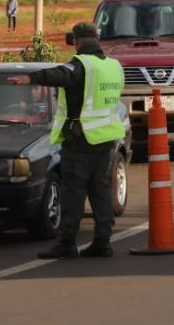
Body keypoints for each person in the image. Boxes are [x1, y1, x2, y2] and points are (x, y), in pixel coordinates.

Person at [7, 21, 125, 259]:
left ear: (77, 41)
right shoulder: (114, 66)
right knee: (101, 192)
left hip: (80, 141)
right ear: (97, 39)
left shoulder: (82, 64)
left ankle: (67, 243)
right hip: (105, 139)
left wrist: (30, 78)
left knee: (73, 194)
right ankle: (103, 242)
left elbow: (60, 75)